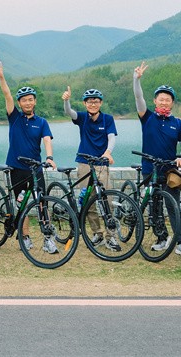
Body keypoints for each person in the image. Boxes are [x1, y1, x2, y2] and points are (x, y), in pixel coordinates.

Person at [0, 61, 57, 254]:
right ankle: (26, 237)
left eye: (31, 99)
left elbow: (47, 140)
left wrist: (49, 157)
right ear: (20, 103)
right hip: (16, 168)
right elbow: (7, 95)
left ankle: (48, 240)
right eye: (24, 100)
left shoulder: (42, 122)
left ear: (35, 101)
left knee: (41, 203)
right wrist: (2, 78)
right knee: (21, 205)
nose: (28, 102)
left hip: (35, 168)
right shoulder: (14, 118)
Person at [133, 62, 181, 258]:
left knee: (173, 206)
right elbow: (138, 97)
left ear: (172, 103)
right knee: (155, 206)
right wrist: (136, 79)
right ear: (155, 101)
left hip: (170, 171)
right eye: (161, 99)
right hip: (149, 168)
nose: (164, 102)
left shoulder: (178, 123)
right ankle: (161, 238)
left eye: (168, 100)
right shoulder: (147, 117)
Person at [61, 85, 119, 251]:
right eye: (89, 102)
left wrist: (108, 152)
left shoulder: (107, 119)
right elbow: (69, 112)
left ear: (100, 103)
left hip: (102, 163)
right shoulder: (82, 117)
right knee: (88, 200)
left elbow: (111, 137)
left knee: (107, 200)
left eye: (96, 101)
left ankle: (111, 236)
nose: (93, 104)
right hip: (84, 163)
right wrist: (66, 101)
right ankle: (97, 233)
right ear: (85, 104)